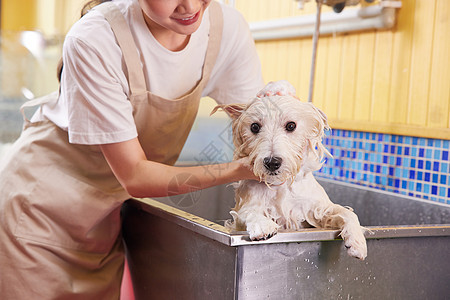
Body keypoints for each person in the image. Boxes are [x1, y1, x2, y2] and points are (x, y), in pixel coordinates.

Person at [0, 0, 293, 298]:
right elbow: (136, 176)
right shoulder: (95, 39)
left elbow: (253, 129)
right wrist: (240, 169)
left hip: (102, 221)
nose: (189, 5)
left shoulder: (226, 29)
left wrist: (281, 111)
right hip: (38, 217)